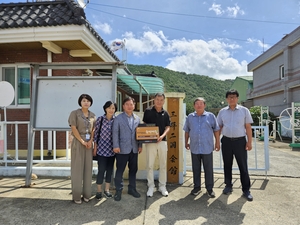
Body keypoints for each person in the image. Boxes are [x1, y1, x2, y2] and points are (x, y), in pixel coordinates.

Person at [217, 89, 254, 201]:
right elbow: (219, 127)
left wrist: (249, 142)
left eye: (233, 97)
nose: (231, 99)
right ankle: (228, 185)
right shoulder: (222, 112)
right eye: (229, 97)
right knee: (227, 165)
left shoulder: (244, 110)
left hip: (240, 142)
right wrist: (217, 141)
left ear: (237, 98)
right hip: (226, 141)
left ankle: (246, 190)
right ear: (226, 99)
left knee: (243, 166)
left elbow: (248, 127)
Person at [183, 97, 220, 198]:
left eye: (201, 103)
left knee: (208, 169)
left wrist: (217, 142)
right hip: (194, 147)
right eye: (197, 103)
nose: (199, 105)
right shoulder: (190, 117)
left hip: (207, 147)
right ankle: (197, 187)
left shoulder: (211, 116)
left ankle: (209, 189)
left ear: (205, 105)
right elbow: (187, 130)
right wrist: (186, 142)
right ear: (194, 105)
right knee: (196, 168)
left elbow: (216, 130)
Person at [112, 97, 142, 201]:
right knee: (120, 170)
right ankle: (118, 190)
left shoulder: (137, 119)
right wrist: (115, 146)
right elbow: (115, 133)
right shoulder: (118, 118)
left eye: (131, 104)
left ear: (134, 106)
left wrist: (140, 145)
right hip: (121, 149)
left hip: (134, 149)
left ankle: (132, 189)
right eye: (127, 104)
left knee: (133, 170)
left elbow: (140, 134)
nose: (129, 106)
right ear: (123, 106)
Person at [68, 94, 96, 204]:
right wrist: (82, 141)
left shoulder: (93, 115)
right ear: (80, 102)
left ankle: (87, 194)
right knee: (77, 169)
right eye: (84, 100)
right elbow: (73, 128)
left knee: (88, 169)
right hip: (78, 142)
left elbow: (93, 130)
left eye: (88, 101)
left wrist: (90, 141)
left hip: (89, 144)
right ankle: (76, 196)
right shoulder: (74, 113)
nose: (86, 103)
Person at [143, 93, 171, 197]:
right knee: (150, 165)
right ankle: (150, 186)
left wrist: (162, 135)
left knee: (163, 165)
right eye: (157, 99)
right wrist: (147, 137)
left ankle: (162, 186)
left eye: (161, 100)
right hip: (151, 143)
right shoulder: (148, 111)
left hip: (162, 142)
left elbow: (168, 126)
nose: (159, 101)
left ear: (164, 101)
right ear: (154, 100)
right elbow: (144, 126)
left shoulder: (166, 113)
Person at [93, 101, 117, 200]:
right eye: (109, 108)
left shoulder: (116, 120)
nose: (111, 110)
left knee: (109, 171)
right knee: (101, 170)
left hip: (112, 150)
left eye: (113, 108)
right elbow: (95, 135)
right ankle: (99, 191)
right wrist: (95, 148)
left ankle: (106, 190)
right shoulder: (100, 119)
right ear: (105, 109)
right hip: (102, 150)